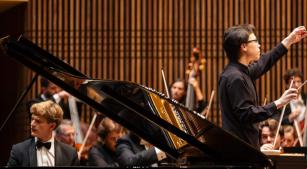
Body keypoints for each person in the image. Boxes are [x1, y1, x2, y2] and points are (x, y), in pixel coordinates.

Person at [218, 24, 307, 149]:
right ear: (244, 46)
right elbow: (247, 114)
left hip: (244, 149)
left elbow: (265, 62)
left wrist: (289, 40)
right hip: (240, 154)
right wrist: (279, 102)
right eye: (255, 41)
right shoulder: (235, 78)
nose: (259, 45)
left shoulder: (241, 72)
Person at [7, 100, 79, 166]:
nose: (32, 124)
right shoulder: (18, 150)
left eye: (38, 121)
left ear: (52, 126)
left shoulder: (70, 153)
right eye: (32, 119)